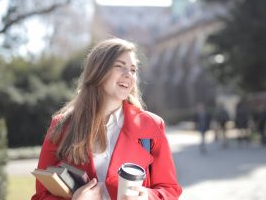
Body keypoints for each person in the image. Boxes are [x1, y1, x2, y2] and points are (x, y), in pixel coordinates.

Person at [31, 38, 182, 200]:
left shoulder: (152, 126)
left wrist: (147, 196)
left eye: (133, 70)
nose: (128, 75)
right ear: (98, 71)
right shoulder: (62, 126)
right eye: (119, 66)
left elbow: (169, 190)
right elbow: (41, 196)